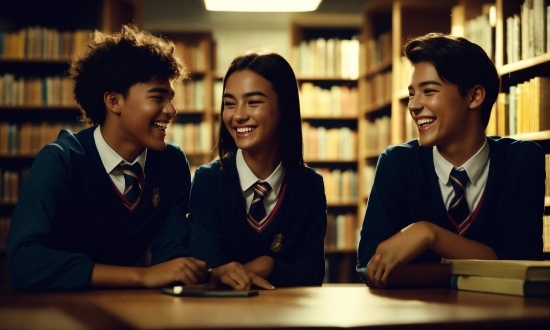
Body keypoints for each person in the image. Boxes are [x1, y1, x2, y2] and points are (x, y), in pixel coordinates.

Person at [6, 24, 207, 291]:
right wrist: (140, 277)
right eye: (157, 97)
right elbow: (24, 261)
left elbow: (170, 256)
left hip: (135, 307)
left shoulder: (171, 163)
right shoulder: (60, 162)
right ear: (114, 101)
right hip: (61, 309)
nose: (171, 110)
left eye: (171, 98)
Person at [357, 32, 546, 289]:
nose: (413, 105)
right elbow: (372, 268)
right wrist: (486, 264)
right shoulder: (398, 163)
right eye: (412, 94)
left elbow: (523, 268)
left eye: (429, 91)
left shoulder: (523, 161)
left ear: (474, 97)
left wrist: (428, 235)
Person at [187, 51, 327, 290]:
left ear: (283, 107)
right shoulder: (208, 180)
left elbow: (312, 272)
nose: (239, 115)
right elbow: (205, 269)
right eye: (229, 104)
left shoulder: (309, 185)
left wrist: (269, 265)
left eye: (253, 102)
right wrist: (232, 273)